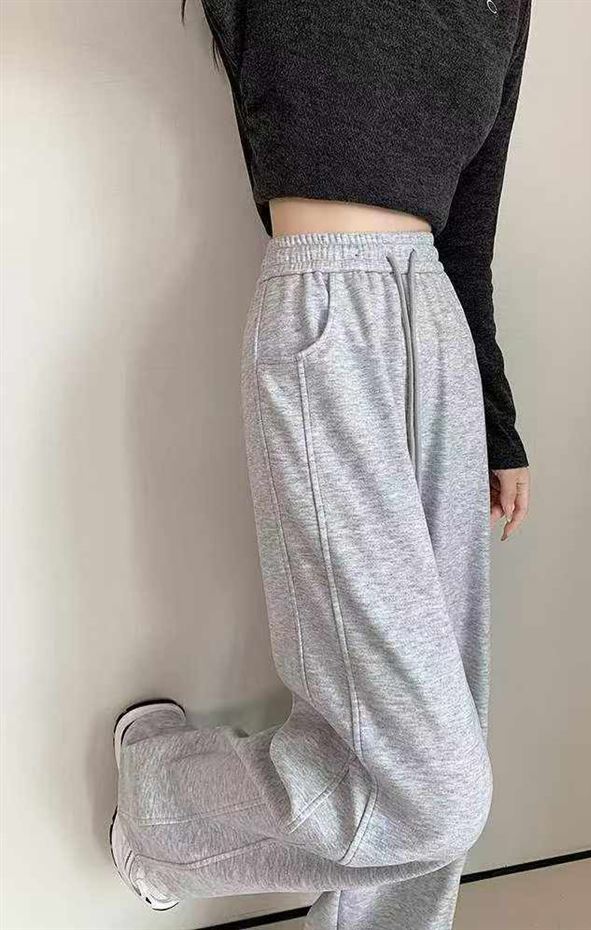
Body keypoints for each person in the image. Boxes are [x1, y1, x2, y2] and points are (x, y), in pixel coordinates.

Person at [109, 2, 532, 927]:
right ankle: (163, 798)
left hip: (439, 329)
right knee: (431, 788)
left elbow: (470, 235)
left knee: (443, 709)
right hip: (325, 315)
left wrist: (498, 427)